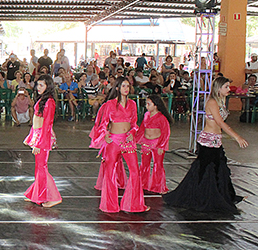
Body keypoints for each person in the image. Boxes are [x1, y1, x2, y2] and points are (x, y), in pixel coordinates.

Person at [163, 77, 248, 213]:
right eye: (226, 86)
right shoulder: (212, 102)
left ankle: (224, 196)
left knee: (219, 168)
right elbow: (220, 123)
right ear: (218, 88)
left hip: (216, 140)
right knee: (205, 170)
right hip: (207, 141)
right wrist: (236, 137)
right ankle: (200, 197)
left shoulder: (221, 101)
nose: (228, 89)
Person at [89, 76, 149, 213]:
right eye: (123, 86)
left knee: (135, 171)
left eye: (128, 86)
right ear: (117, 88)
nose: (126, 89)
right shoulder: (109, 104)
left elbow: (134, 124)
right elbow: (102, 122)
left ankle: (133, 204)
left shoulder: (133, 104)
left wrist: (132, 133)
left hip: (128, 142)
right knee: (110, 172)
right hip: (114, 141)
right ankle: (110, 205)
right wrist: (105, 135)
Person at [22, 75, 62, 207]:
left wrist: (39, 143)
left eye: (42, 85)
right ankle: (37, 194)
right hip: (38, 135)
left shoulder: (49, 101)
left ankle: (54, 197)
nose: (38, 87)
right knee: (39, 167)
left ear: (48, 86)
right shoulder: (42, 99)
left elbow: (47, 124)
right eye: (38, 84)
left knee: (42, 167)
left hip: (42, 137)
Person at [136, 94, 172, 194]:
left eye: (148, 104)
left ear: (155, 105)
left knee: (157, 164)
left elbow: (166, 133)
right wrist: (136, 140)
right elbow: (142, 128)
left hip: (157, 143)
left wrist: (162, 146)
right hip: (146, 143)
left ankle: (158, 186)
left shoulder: (161, 118)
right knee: (144, 164)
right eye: (146, 104)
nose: (146, 106)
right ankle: (143, 184)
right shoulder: (146, 115)